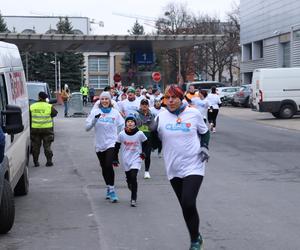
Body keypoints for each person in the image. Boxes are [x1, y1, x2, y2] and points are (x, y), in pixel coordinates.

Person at [151, 84, 210, 250]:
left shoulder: (193, 113)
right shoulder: (161, 117)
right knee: (185, 206)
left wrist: (205, 146)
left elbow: (205, 132)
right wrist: (153, 132)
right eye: (167, 98)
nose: (170, 101)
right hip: (173, 167)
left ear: (180, 98)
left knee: (189, 202)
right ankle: (196, 235)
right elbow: (155, 145)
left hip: (194, 164)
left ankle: (194, 242)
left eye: (173, 97)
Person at [85, 91, 124, 203]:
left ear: (110, 101)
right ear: (100, 101)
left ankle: (112, 190)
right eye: (102, 99)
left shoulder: (115, 113)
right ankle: (108, 186)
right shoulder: (95, 112)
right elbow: (87, 128)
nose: (105, 101)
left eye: (107, 99)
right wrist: (94, 120)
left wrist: (120, 137)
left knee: (108, 164)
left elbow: (122, 125)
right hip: (99, 143)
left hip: (111, 143)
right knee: (104, 167)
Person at [114, 115, 147, 207]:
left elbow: (146, 143)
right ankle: (128, 182)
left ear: (135, 123)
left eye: (132, 121)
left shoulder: (140, 133)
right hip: (126, 159)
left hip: (136, 157)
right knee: (129, 178)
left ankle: (133, 198)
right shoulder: (121, 134)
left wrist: (144, 152)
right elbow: (116, 147)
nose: (130, 123)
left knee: (133, 176)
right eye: (128, 121)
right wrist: (115, 159)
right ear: (126, 123)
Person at [30, 91, 58, 167]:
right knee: (47, 146)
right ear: (45, 98)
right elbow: (55, 113)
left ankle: (36, 162)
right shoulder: (48, 106)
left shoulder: (32, 106)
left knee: (36, 146)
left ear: (39, 97)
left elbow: (30, 117)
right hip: (47, 129)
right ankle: (49, 161)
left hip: (35, 129)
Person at [136, 99, 155, 179]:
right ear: (140, 105)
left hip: (148, 137)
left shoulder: (151, 114)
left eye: (146, 104)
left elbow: (153, 126)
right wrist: (145, 122)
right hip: (138, 137)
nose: (144, 105)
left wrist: (149, 124)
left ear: (148, 105)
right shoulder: (136, 114)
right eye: (143, 104)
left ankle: (147, 171)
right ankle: (134, 170)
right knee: (136, 155)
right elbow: (136, 124)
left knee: (147, 155)